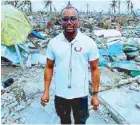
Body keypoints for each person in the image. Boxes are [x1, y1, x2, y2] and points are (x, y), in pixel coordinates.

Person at [41, 2, 100, 124]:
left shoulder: (89, 43)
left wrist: (95, 94)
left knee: (80, 121)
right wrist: (46, 91)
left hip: (81, 95)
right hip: (61, 94)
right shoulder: (53, 43)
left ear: (78, 21)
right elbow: (49, 67)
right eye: (65, 19)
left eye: (73, 18)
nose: (69, 22)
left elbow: (94, 69)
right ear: (61, 21)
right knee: (64, 121)